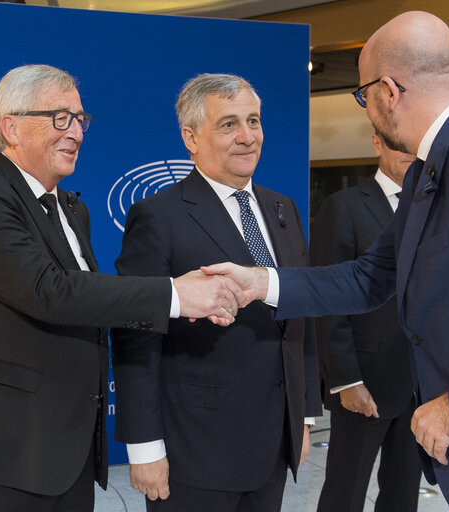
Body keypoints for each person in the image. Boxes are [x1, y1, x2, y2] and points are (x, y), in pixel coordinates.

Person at [204, 11, 449, 512]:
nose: (367, 112)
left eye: (362, 96)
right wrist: (260, 283)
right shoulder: (439, 162)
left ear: (388, 91)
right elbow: (370, 276)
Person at [0, 64, 243, 512]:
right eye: (60, 118)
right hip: (1, 453)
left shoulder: (73, 210)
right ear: (11, 127)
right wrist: (175, 295)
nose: (76, 131)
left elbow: (87, 303)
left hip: (65, 451)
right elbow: (48, 291)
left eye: (80, 119)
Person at [109, 73, 321, 512]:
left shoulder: (284, 209)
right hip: (196, 452)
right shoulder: (158, 216)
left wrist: (303, 415)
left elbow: (301, 315)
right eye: (229, 124)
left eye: (254, 121)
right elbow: (135, 334)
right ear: (191, 137)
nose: (247, 137)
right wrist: (145, 447)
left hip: (273, 443)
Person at [311, 132, 420, 512]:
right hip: (365, 382)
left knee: (403, 494)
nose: (408, 153)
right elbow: (327, 300)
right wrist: (346, 380)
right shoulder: (344, 208)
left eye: (415, 145)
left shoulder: (432, 207)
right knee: (346, 491)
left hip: (421, 384)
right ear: (377, 144)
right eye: (398, 144)